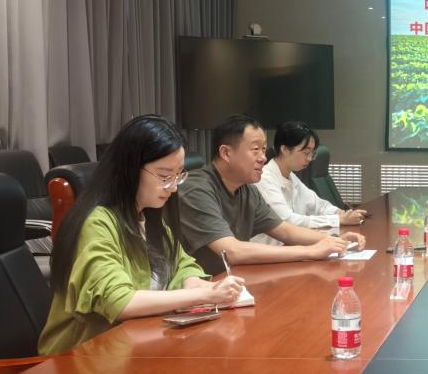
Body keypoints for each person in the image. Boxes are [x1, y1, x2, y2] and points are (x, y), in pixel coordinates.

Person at [38, 115, 244, 354]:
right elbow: (120, 302)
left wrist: (198, 284)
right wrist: (202, 294)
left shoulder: (148, 215)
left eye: (178, 175)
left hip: (134, 345)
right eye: (165, 176)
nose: (173, 187)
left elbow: (181, 265)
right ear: (130, 169)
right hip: (83, 356)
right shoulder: (97, 223)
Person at [178, 114, 365, 275]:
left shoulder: (247, 189)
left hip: (232, 280)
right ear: (226, 153)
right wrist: (312, 251)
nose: (263, 157)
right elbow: (232, 251)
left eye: (263, 149)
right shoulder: (197, 189)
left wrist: (334, 240)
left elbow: (285, 230)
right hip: (200, 289)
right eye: (255, 150)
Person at [251, 121, 367, 246]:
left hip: (292, 247)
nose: (309, 158)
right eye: (306, 153)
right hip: (271, 250)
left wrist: (340, 213)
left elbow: (318, 205)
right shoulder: (264, 179)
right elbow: (288, 221)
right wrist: (337, 219)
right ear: (285, 149)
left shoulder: (290, 176)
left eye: (312, 153)